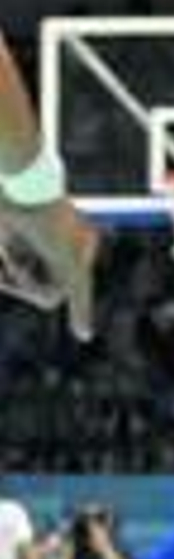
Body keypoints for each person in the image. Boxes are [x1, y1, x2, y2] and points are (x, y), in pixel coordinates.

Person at [0, 29, 96, 339]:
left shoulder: (29, 243)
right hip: (27, 186)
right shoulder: (57, 245)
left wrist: (29, 292)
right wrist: (42, 297)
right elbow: (82, 327)